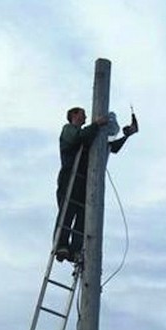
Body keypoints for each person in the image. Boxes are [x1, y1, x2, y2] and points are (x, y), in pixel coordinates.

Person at [55, 107, 139, 263]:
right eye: (82, 114)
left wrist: (127, 135)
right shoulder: (69, 130)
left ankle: (75, 250)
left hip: (84, 182)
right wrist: (97, 124)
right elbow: (78, 137)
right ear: (73, 115)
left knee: (83, 217)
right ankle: (61, 246)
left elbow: (111, 147)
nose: (86, 116)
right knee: (67, 213)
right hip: (70, 178)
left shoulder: (88, 136)